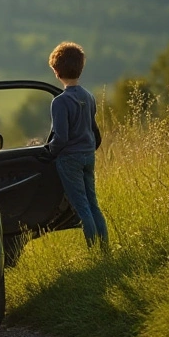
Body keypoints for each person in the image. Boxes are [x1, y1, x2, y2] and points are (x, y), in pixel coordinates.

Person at [43, 41, 108, 250]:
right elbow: (93, 130)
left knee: (82, 207)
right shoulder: (88, 96)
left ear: (56, 71)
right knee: (93, 204)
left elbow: (61, 137)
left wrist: (48, 153)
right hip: (88, 155)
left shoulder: (60, 102)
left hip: (69, 159)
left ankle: (93, 252)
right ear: (80, 67)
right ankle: (104, 249)